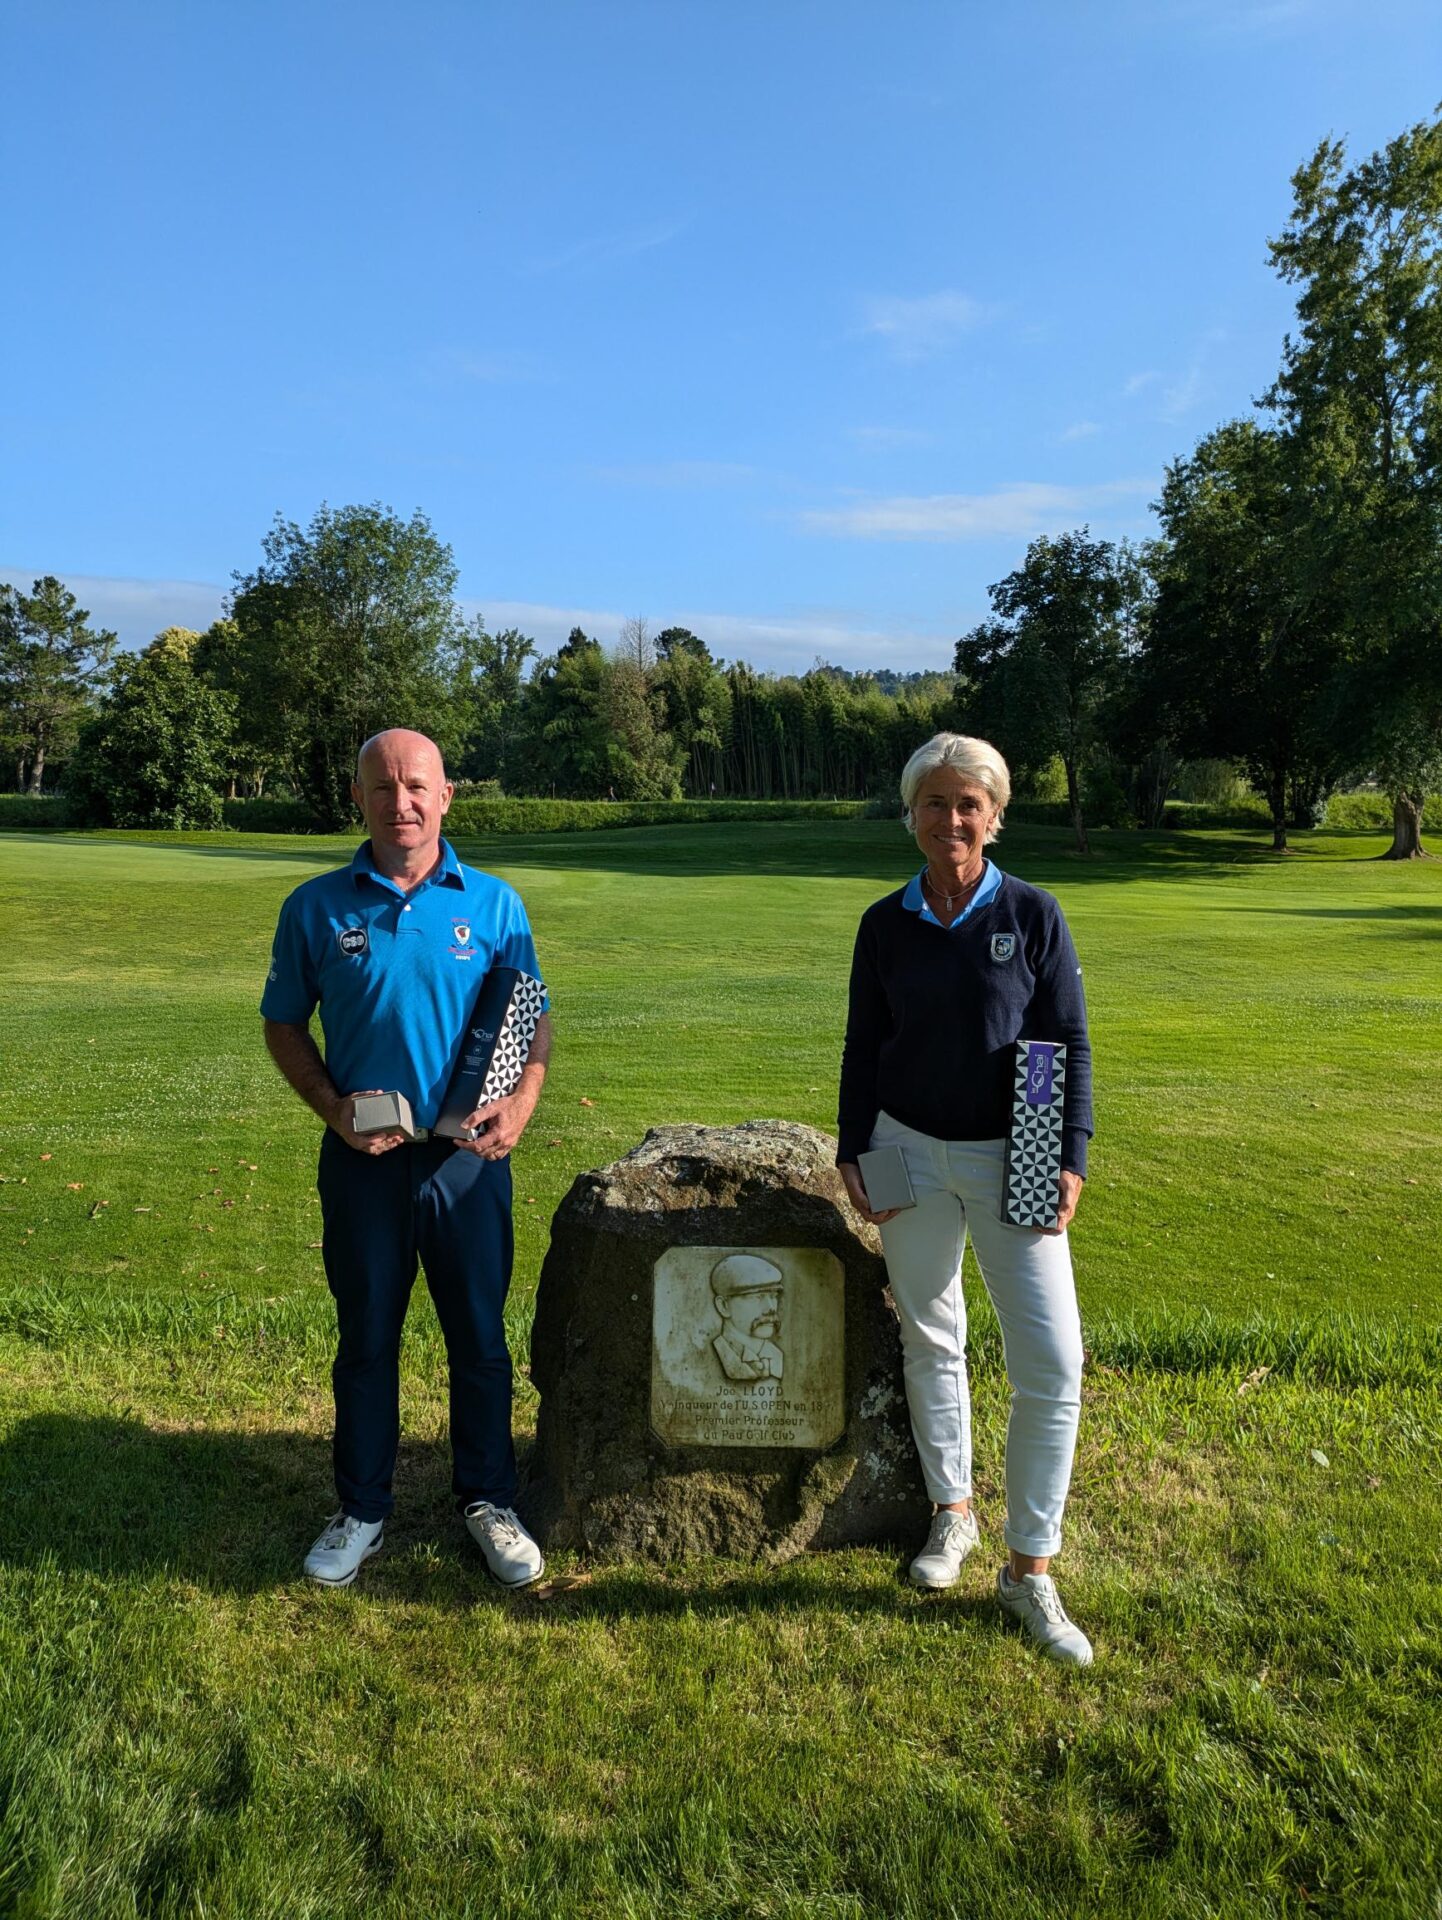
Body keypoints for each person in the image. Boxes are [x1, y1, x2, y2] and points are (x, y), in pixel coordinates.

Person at [261, 727, 552, 1591]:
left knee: (480, 1341)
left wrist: (524, 1103)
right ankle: (361, 1509)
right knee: (366, 1340)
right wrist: (332, 1108)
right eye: (384, 787)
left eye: (418, 786)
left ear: (447, 795)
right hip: (363, 1163)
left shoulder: (495, 903)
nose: (403, 802)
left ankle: (489, 1500)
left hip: (466, 1163)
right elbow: (283, 1023)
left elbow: (530, 1015)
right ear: (359, 798)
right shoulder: (316, 905)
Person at [836, 733, 1094, 1665]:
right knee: (930, 1335)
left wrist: (1069, 1153)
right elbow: (865, 1043)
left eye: (969, 805)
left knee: (1051, 1360)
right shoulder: (884, 922)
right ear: (911, 815)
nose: (952, 820)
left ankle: (1032, 1569)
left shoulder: (1032, 913)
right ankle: (954, 1515)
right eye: (935, 804)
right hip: (904, 1147)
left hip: (1016, 1146)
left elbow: (1067, 1038)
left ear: (994, 815)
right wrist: (853, 1146)